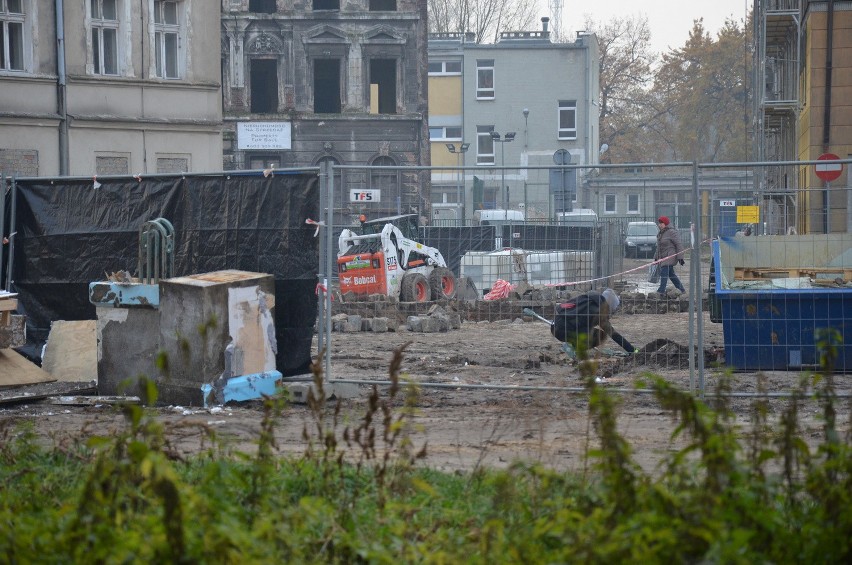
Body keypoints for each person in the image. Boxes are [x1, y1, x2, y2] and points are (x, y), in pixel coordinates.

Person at [551, 288, 635, 357]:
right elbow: (613, 334)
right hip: (563, 330)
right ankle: (573, 348)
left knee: (587, 328)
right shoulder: (598, 312)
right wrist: (632, 350)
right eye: (611, 310)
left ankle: (573, 346)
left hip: (555, 325)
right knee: (601, 335)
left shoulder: (590, 300)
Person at [654, 216, 686, 296]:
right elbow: (659, 247)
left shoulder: (672, 232)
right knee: (671, 275)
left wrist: (680, 257)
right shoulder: (661, 233)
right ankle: (682, 289)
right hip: (663, 257)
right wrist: (656, 257)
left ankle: (661, 291)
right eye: (659, 223)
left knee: (664, 272)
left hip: (670, 256)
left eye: (661, 223)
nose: (659, 225)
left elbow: (678, 244)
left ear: (666, 224)